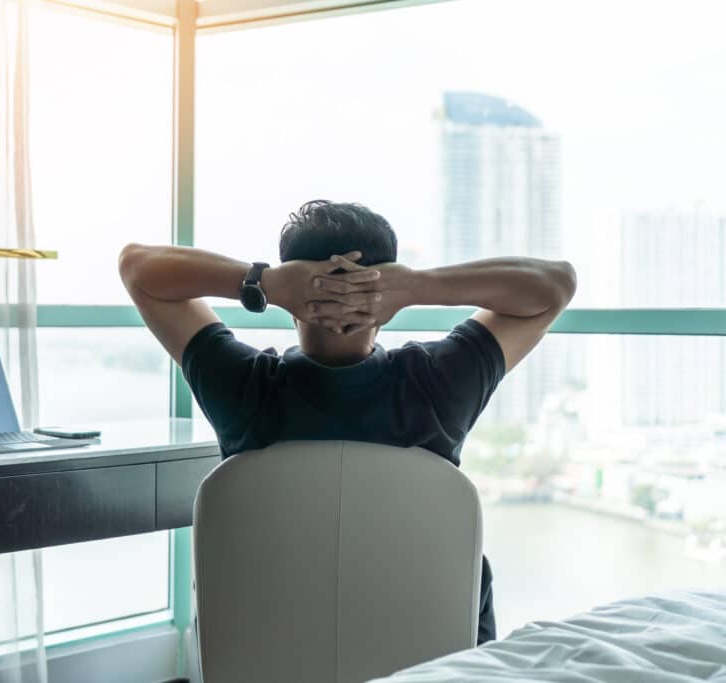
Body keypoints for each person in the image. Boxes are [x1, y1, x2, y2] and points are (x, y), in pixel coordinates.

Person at [118, 199, 576, 643]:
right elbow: (556, 284)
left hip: (267, 653)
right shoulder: (440, 383)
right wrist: (416, 286)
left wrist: (262, 282)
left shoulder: (242, 387)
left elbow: (136, 267)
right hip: (434, 659)